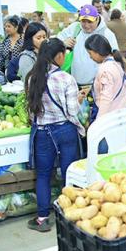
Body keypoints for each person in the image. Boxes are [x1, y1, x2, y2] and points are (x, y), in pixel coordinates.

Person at [25, 38, 84, 232]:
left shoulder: (32, 77)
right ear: (59, 55)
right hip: (65, 130)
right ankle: (70, 215)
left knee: (43, 174)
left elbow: (31, 111)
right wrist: (79, 99)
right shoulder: (66, 79)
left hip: (42, 132)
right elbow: (73, 111)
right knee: (69, 172)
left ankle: (42, 218)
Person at [56, 4, 118, 86]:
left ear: (97, 19)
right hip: (76, 83)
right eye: (83, 21)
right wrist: (63, 43)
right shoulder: (75, 28)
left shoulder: (106, 34)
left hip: (98, 85)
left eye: (90, 22)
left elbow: (115, 58)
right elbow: (55, 42)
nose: (86, 25)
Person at [85, 33, 126, 121]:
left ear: (97, 51)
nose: (90, 57)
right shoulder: (117, 63)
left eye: (90, 53)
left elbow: (106, 98)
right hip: (121, 112)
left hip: (109, 117)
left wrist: (99, 122)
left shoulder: (105, 69)